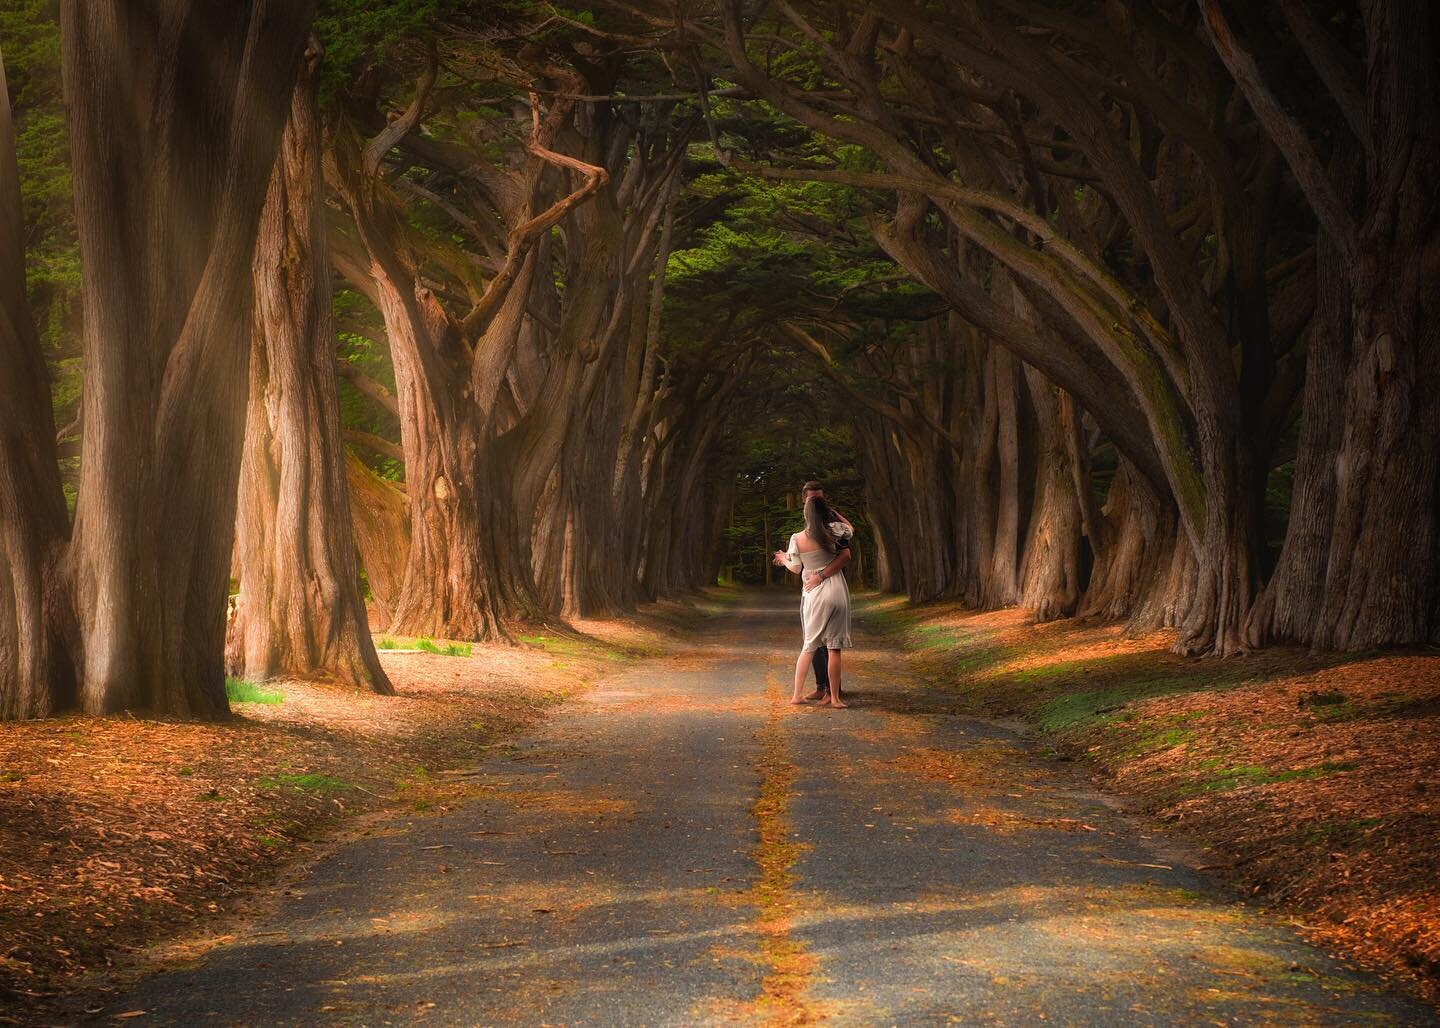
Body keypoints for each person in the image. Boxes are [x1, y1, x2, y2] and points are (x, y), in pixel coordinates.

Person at [773, 494, 853, 708]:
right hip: (836, 588)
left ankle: (796, 695)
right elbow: (850, 530)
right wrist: (834, 514)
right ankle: (835, 698)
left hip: (814, 590)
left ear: (805, 515)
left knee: (809, 646)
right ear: (825, 513)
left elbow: (796, 568)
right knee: (834, 648)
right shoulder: (835, 531)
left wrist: (783, 559)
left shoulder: (797, 538)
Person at [799, 481, 852, 699]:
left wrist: (821, 576)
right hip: (810, 588)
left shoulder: (832, 524)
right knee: (813, 639)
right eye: (813, 498)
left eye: (819, 498)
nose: (816, 501)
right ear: (804, 499)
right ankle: (822, 686)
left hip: (827, 585)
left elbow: (846, 553)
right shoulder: (806, 526)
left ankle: (832, 690)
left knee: (828, 641)